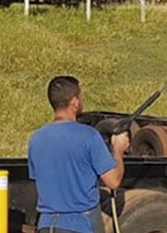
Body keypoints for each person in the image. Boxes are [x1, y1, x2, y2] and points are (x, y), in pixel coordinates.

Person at [28, 76, 130, 233]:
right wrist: (118, 149)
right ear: (75, 102)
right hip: (81, 225)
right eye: (81, 96)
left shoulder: (36, 139)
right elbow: (113, 182)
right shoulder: (88, 136)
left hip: (46, 225)